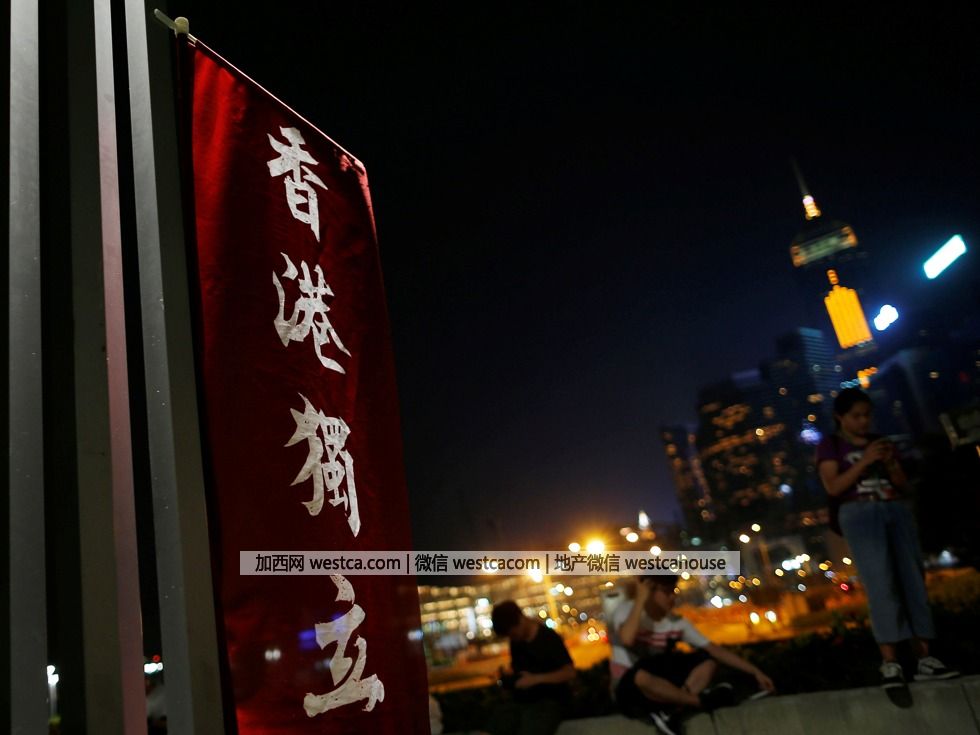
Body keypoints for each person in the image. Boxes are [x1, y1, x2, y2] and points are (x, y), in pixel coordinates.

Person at [816, 387, 959, 688]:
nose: (863, 422)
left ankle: (925, 658)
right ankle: (890, 662)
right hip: (860, 513)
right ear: (840, 417)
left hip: (895, 509)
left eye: (867, 415)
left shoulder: (881, 442)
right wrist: (865, 460)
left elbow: (903, 484)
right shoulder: (831, 445)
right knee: (880, 584)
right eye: (856, 416)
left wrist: (891, 463)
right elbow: (833, 486)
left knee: (913, 581)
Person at [609, 575, 774, 735]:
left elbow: (714, 649)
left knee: (707, 660)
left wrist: (755, 672)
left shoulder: (676, 622)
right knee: (641, 676)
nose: (672, 597)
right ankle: (701, 701)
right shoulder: (627, 611)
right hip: (630, 692)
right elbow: (627, 639)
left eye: (674, 591)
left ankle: (674, 709)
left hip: (662, 689)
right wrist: (640, 599)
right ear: (649, 591)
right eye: (666, 592)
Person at [486, 600, 576, 735]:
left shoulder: (548, 638)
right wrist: (509, 677)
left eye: (513, 634)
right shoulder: (516, 642)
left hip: (550, 702)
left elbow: (570, 672)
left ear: (521, 619)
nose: (513, 638)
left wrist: (536, 679)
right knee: (497, 724)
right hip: (523, 701)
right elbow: (519, 669)